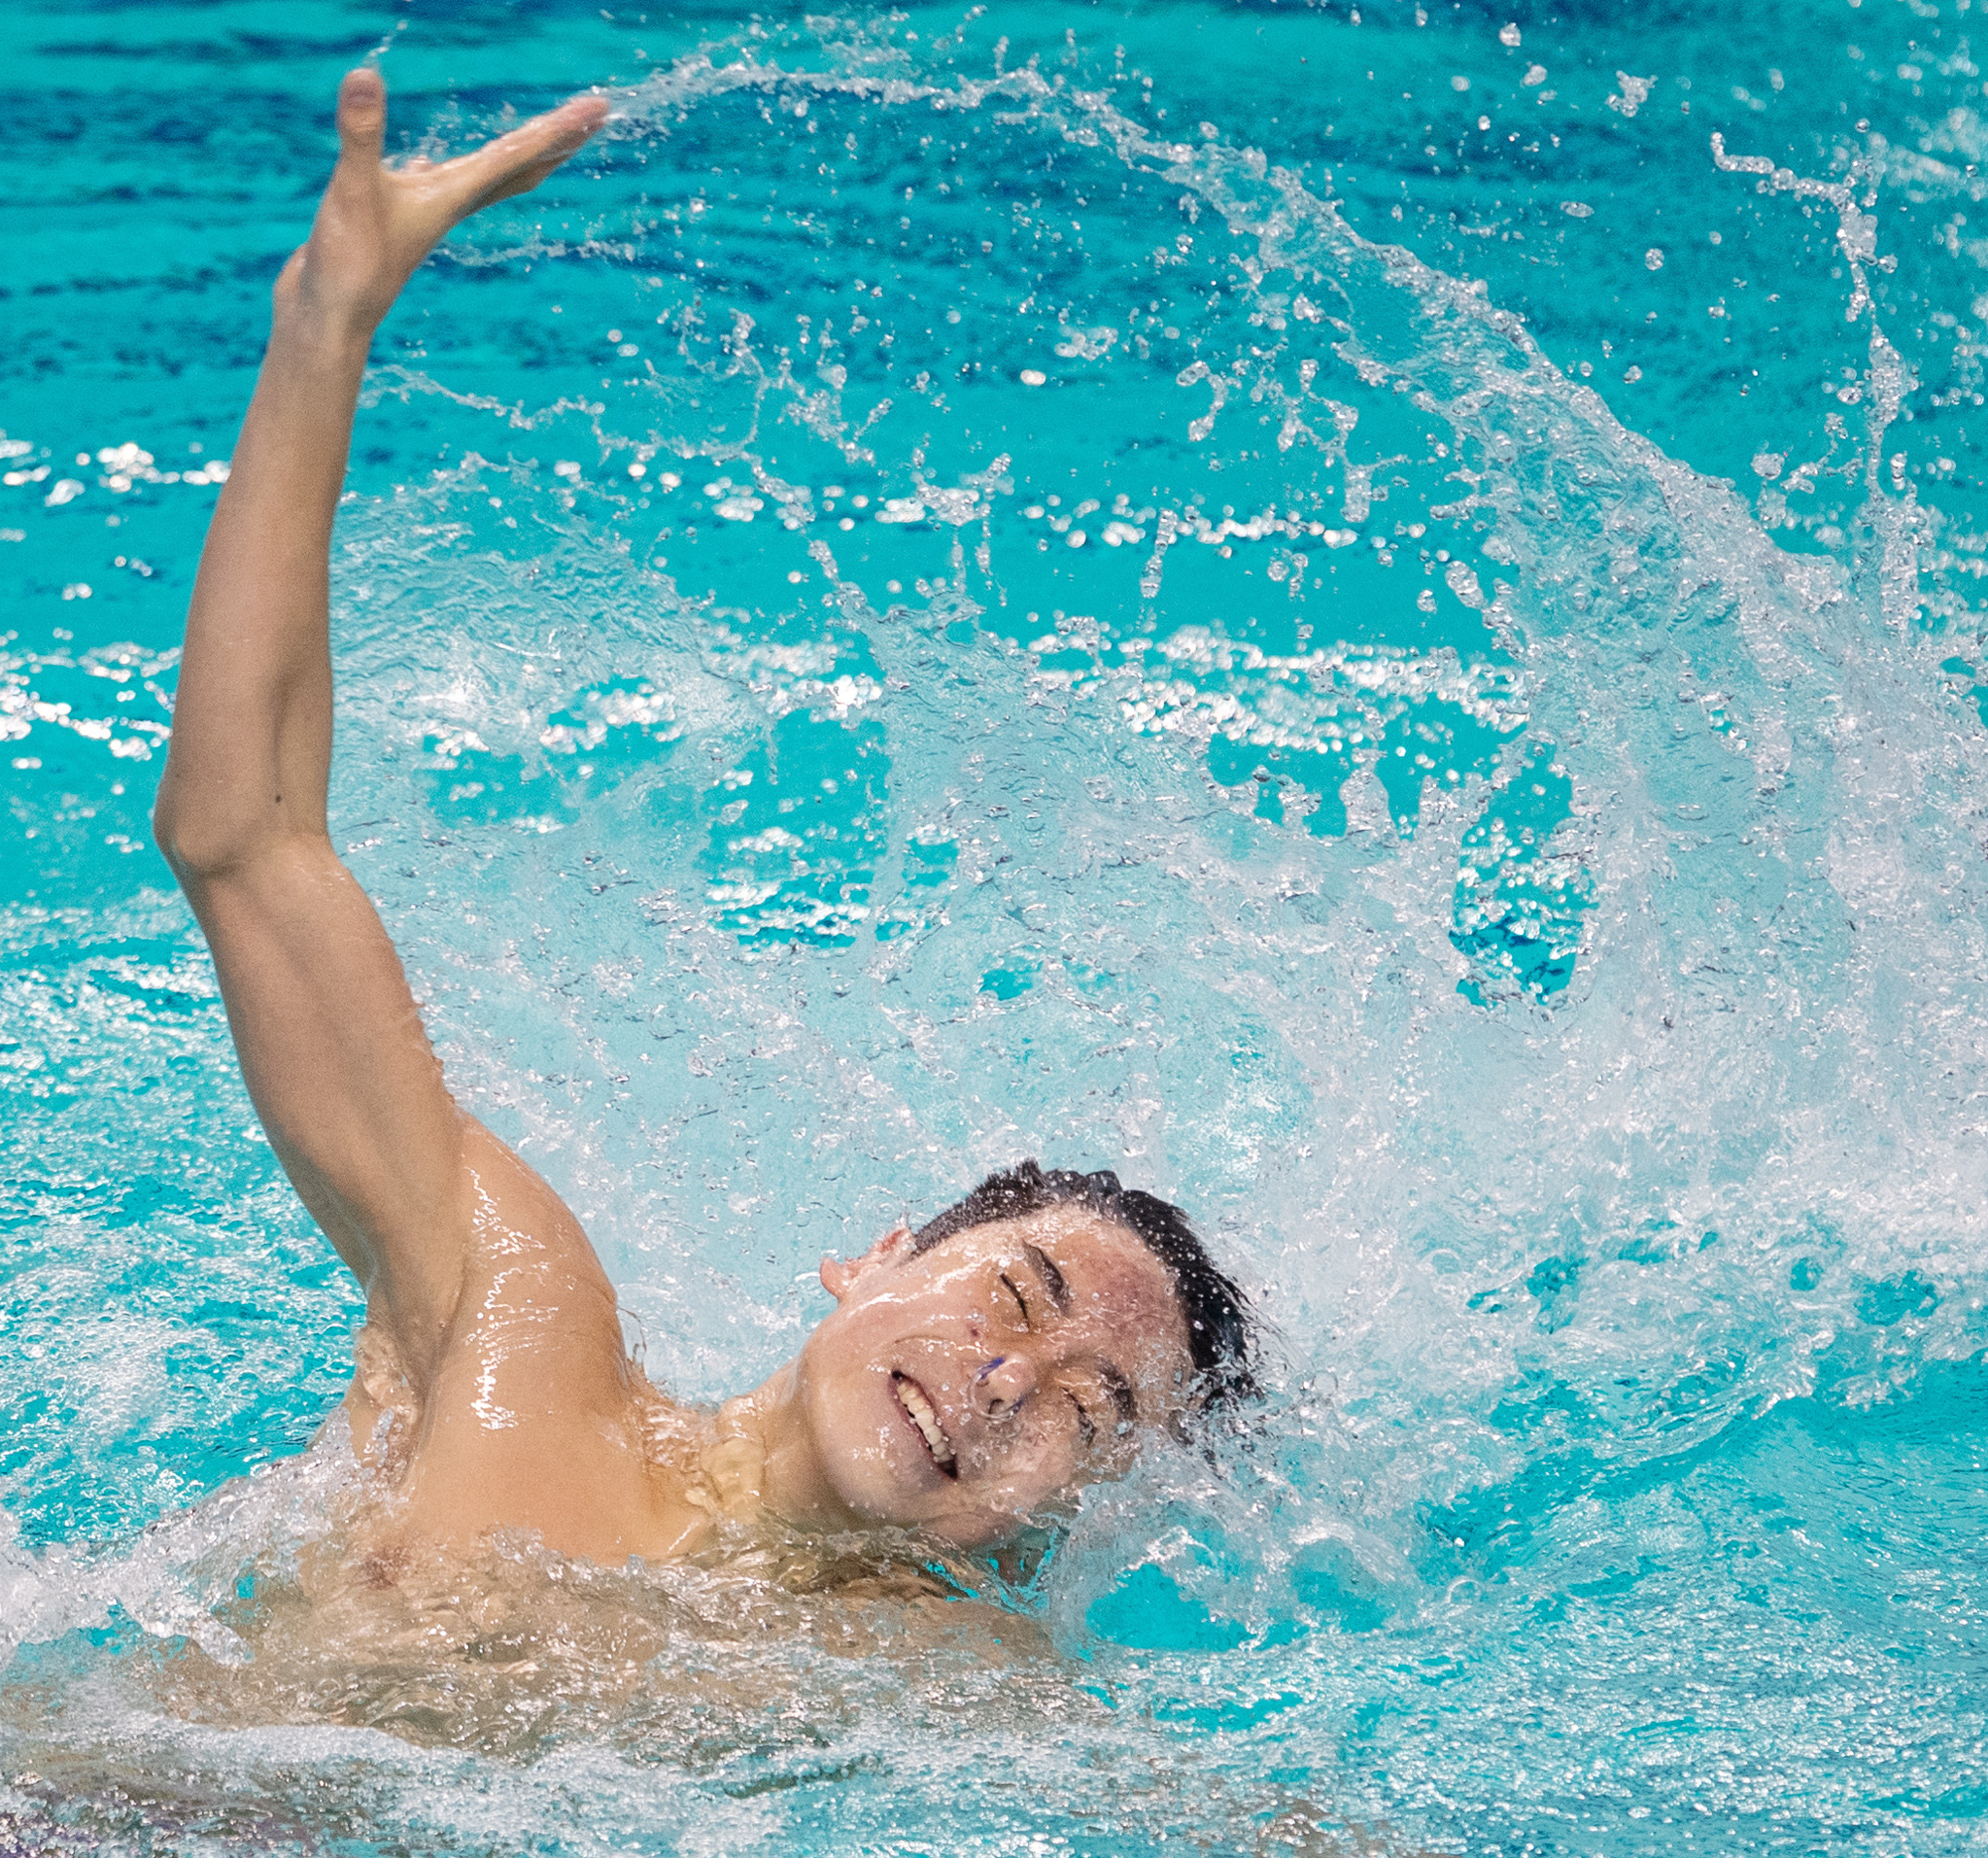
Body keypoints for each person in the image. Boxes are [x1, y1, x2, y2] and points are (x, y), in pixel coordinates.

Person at [149, 66, 1260, 1578]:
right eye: (1012, 1304)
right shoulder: (509, 1319)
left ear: (1067, 1516)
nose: (1005, 1387)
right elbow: (246, 840)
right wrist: (326, 327)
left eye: (1092, 1413)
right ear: (875, 1259)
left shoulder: (941, 1678)